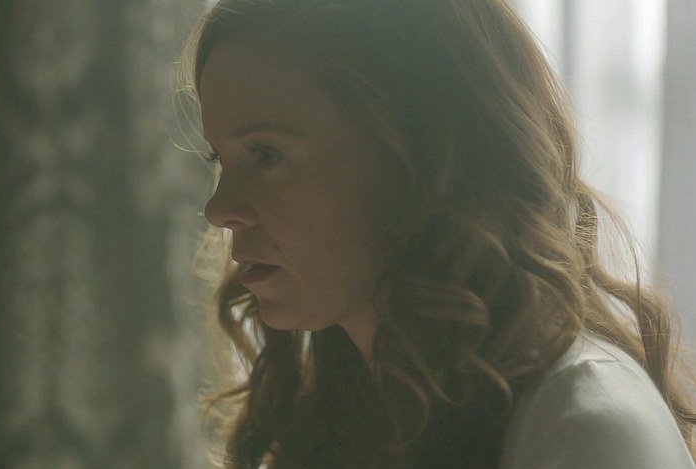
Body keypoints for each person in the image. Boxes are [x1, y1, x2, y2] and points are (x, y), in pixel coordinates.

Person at [179, 0, 696, 467]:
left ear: (424, 157)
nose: (219, 209)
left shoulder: (582, 430)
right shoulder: (359, 411)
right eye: (219, 159)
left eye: (266, 154)